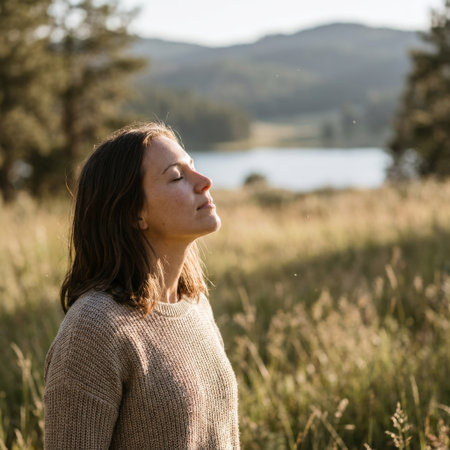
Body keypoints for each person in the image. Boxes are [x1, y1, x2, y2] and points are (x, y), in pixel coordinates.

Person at [43, 122, 240, 449]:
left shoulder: (194, 305)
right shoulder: (94, 330)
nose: (205, 182)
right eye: (177, 176)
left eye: (193, 167)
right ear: (134, 213)